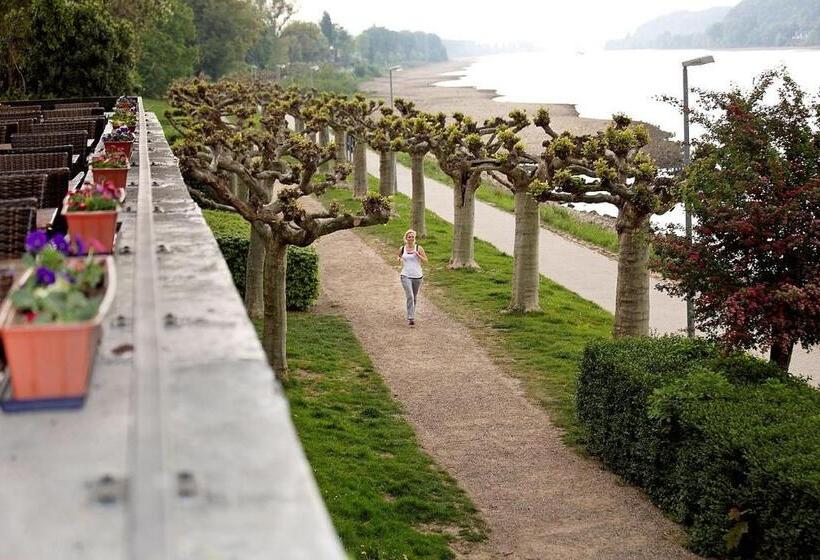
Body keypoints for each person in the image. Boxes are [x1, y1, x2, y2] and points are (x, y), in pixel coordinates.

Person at [397, 229, 427, 326]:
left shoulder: (419, 248)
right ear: (406, 238)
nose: (411, 238)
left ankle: (412, 314)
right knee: (410, 296)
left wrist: (419, 256)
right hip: (405, 275)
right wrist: (398, 259)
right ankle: (411, 318)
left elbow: (426, 261)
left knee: (414, 296)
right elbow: (399, 256)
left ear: (414, 238)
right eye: (409, 236)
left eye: (412, 237)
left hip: (417, 276)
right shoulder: (402, 248)